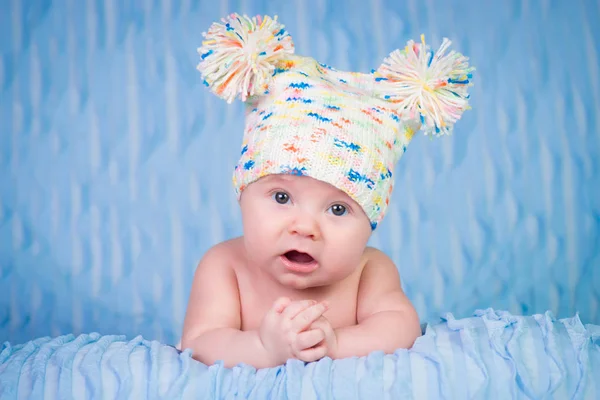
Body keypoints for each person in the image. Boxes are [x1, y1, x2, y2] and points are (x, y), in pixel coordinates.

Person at [180, 13, 474, 369]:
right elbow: (198, 342)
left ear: (372, 221)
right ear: (242, 194)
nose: (305, 228)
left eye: (337, 209)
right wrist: (263, 348)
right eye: (282, 197)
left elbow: (401, 327)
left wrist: (335, 343)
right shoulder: (224, 267)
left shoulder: (369, 271)